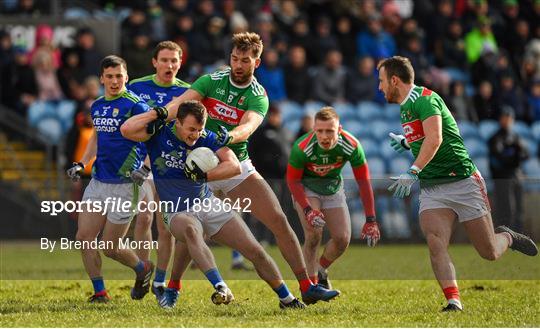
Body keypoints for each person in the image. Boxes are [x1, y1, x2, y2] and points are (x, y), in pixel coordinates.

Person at [164, 31, 339, 305]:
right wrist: (159, 114)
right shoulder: (213, 80)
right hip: (200, 164)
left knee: (279, 220)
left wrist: (227, 137)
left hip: (236, 165)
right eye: (234, 58)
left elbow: (248, 127)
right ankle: (173, 287)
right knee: (193, 230)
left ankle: (308, 285)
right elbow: (182, 103)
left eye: (245, 60)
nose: (238, 64)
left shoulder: (258, 95)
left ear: (256, 62)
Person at [378, 56, 538, 312]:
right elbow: (423, 137)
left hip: (462, 180)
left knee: (489, 252)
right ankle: (454, 300)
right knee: (435, 240)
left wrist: (412, 171)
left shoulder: (426, 100)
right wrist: (407, 142)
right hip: (433, 186)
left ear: (394, 80)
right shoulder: (405, 107)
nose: (380, 86)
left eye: (382, 81)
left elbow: (435, 139)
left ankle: (507, 236)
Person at [120, 100, 306, 309]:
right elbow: (126, 129)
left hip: (207, 204)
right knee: (191, 231)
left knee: (255, 250)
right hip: (176, 211)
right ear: (177, 122)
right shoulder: (159, 133)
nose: (195, 135)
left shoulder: (206, 137)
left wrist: (204, 175)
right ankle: (220, 286)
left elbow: (234, 166)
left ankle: (287, 299)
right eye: (191, 129)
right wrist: (156, 114)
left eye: (200, 129)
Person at [65, 55, 154, 303]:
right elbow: (96, 138)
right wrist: (82, 163)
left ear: (126, 77)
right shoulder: (97, 105)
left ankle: (142, 268)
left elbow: (152, 141)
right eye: (110, 76)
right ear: (102, 78)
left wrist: (145, 169)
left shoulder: (137, 106)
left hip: (126, 185)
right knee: (83, 238)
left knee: (110, 247)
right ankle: (100, 293)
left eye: (119, 76)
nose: (114, 81)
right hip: (98, 181)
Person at [286, 107, 380, 289]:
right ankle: (311, 286)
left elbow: (364, 182)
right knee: (313, 234)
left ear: (339, 129)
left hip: (333, 188)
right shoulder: (302, 147)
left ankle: (321, 270)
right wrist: (307, 209)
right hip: (307, 189)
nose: (324, 136)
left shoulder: (351, 145)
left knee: (343, 238)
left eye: (329, 131)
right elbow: (292, 181)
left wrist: (371, 219)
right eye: (319, 131)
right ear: (314, 130)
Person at [127, 40, 190, 301]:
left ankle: (161, 281)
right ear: (155, 62)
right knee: (143, 219)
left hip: (169, 166)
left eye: (174, 60)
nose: (169, 65)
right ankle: (143, 272)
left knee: (166, 226)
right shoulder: (136, 87)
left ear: (180, 62)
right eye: (164, 60)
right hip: (139, 161)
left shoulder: (188, 91)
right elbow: (127, 123)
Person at [488, 106, 529, 231]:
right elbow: (500, 158)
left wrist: (515, 152)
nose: (507, 120)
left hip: (517, 175)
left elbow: (526, 154)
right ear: (500, 119)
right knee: (506, 209)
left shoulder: (515, 136)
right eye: (504, 117)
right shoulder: (495, 137)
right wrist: (515, 154)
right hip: (503, 177)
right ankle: (506, 236)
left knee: (519, 209)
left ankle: (520, 236)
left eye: (509, 118)